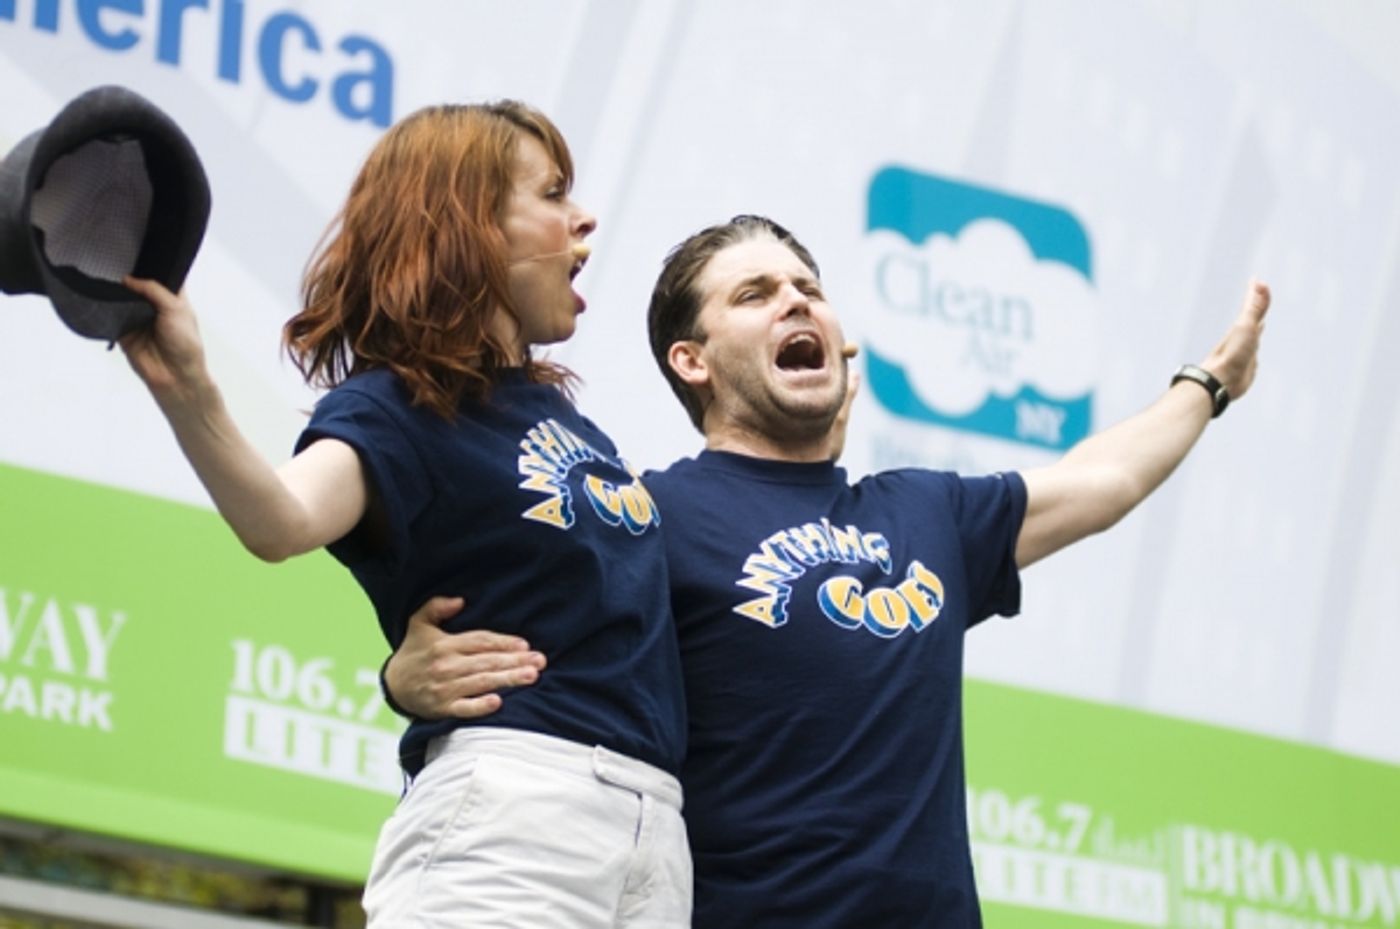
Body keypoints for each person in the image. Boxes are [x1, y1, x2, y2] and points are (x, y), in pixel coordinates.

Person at [386, 214, 1271, 926]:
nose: (796, 303)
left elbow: (1102, 478)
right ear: (691, 360)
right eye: (756, 293)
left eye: (809, 287)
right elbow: (530, 663)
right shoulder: (647, 514)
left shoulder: (928, 511)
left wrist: (1208, 383)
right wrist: (403, 673)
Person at [118, 101, 690, 928]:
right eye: (552, 191)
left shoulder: (568, 422)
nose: (583, 216)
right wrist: (189, 392)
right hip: (515, 818)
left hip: (655, 840)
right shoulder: (395, 407)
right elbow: (280, 520)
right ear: (470, 222)